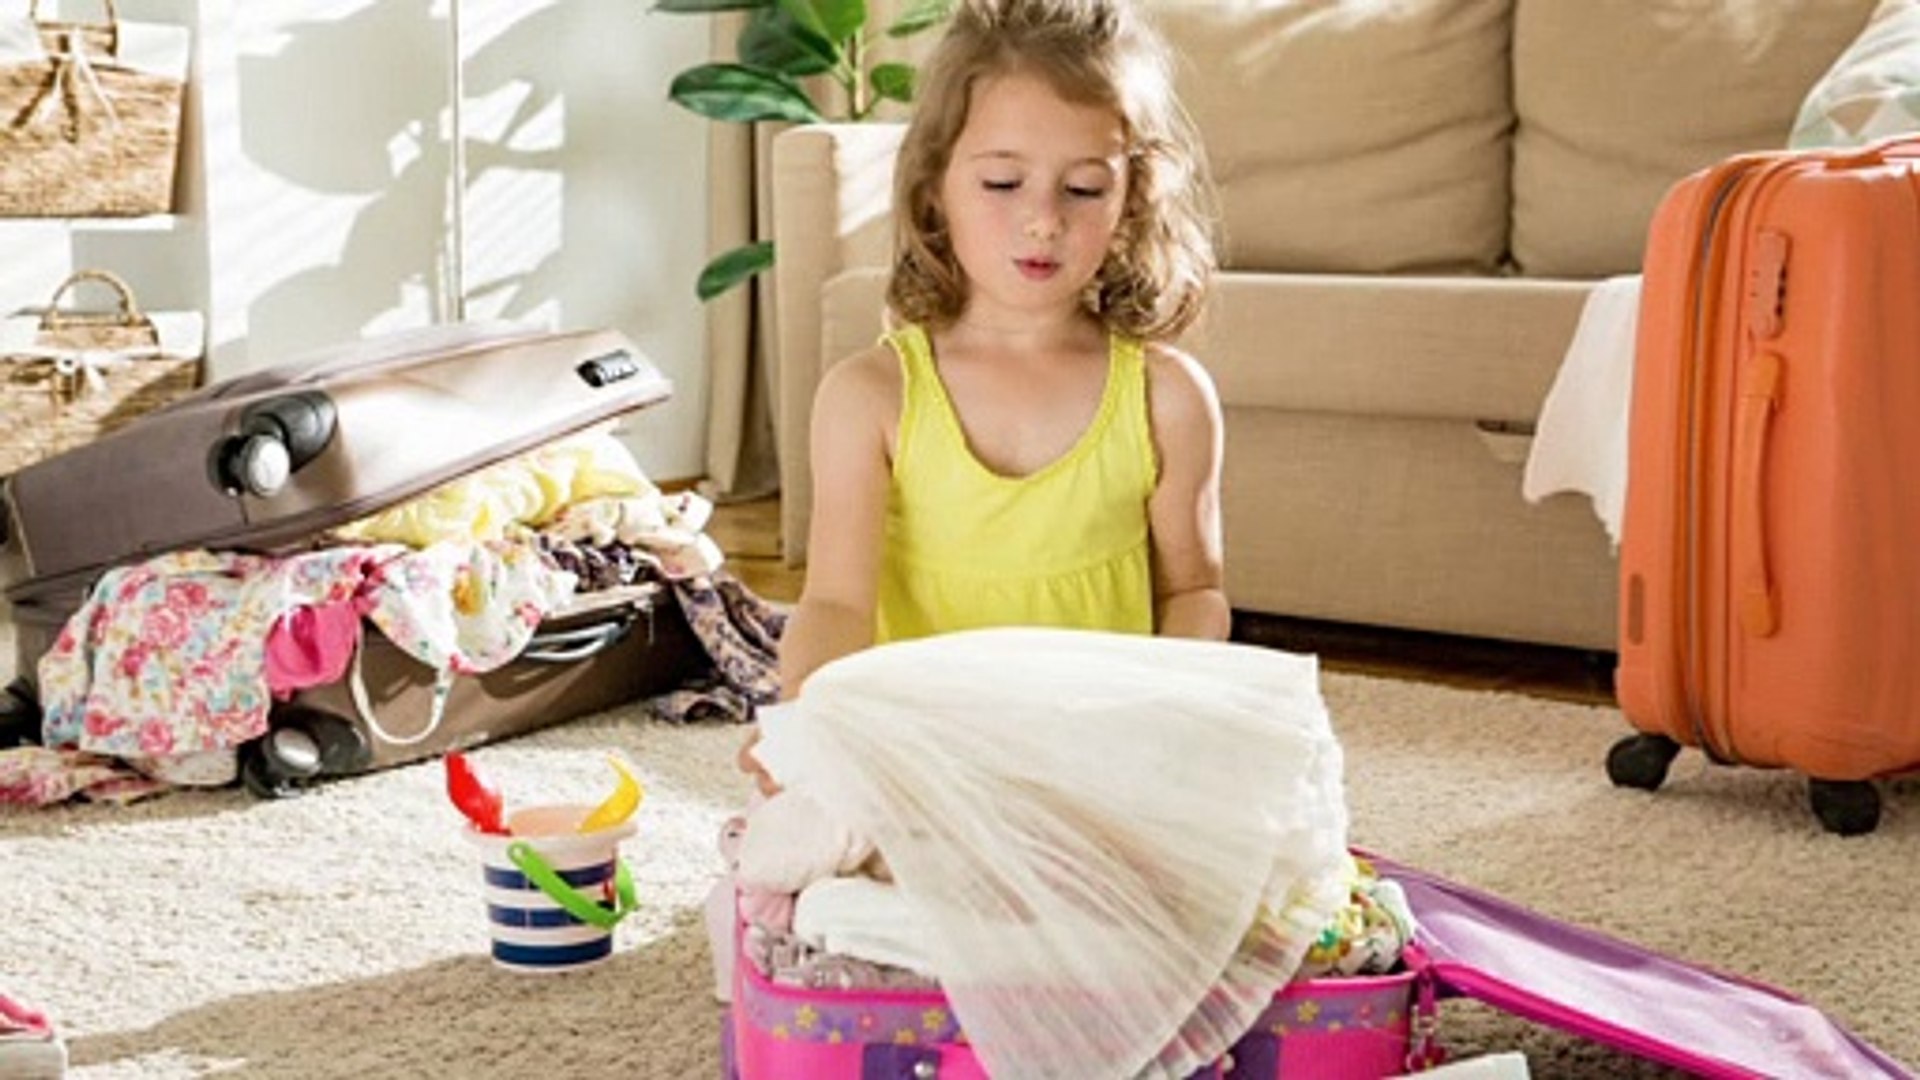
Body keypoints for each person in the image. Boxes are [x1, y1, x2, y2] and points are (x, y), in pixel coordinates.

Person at [743, 0, 1227, 789]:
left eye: (1083, 188)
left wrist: (1158, 723)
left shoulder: (1167, 396)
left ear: (1132, 199)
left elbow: (1194, 592)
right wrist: (803, 723)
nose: (1042, 220)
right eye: (1004, 181)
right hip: (924, 761)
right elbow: (834, 603)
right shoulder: (869, 397)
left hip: (1097, 762)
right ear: (935, 188)